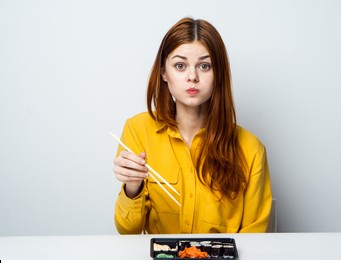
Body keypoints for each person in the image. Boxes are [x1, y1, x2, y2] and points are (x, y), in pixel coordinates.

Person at [112, 17, 272, 234]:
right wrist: (132, 186)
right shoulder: (138, 130)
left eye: (205, 66)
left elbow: (255, 239)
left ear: (219, 74)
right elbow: (127, 231)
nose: (192, 77)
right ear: (164, 72)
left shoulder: (251, 149)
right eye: (180, 65)